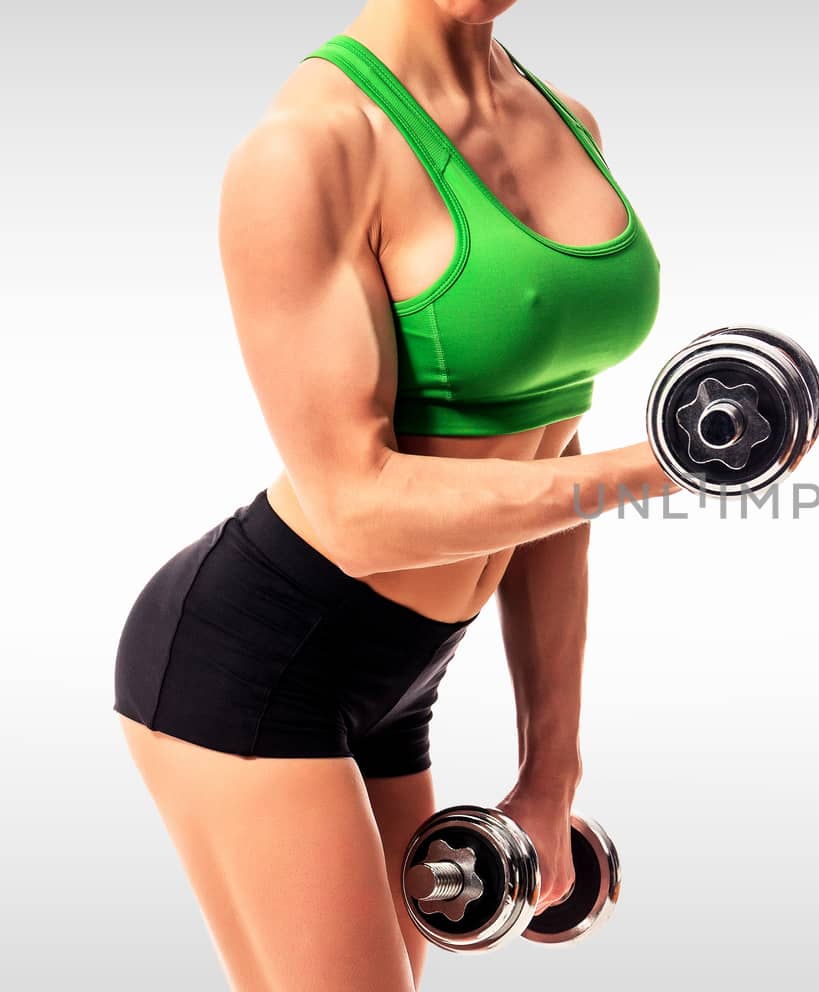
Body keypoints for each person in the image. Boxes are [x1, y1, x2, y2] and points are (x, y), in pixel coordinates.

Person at [112, 1, 673, 987]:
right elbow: (354, 509)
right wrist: (660, 466)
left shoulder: (567, 124)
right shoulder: (310, 147)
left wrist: (552, 767)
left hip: (404, 674)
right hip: (257, 665)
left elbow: (552, 481)